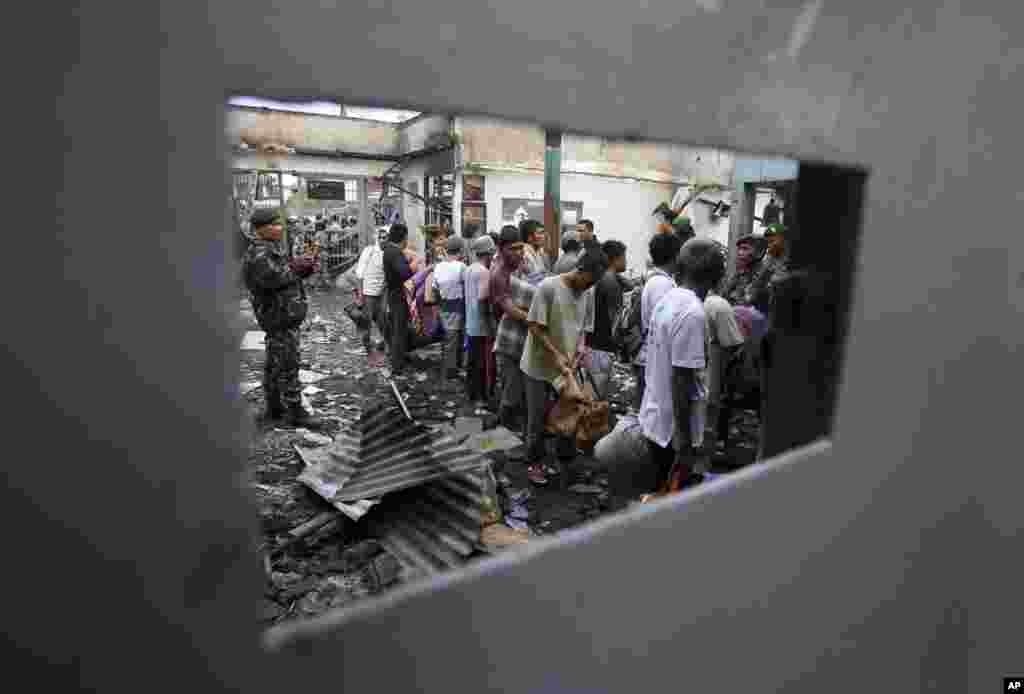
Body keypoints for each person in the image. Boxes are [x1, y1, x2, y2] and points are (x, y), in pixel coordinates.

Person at [639, 238, 726, 494]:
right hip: (672, 433)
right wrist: (685, 443)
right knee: (669, 498)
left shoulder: (669, 300)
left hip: (657, 420)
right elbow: (682, 381)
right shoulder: (692, 313)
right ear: (715, 274)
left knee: (658, 493)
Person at [520, 246, 608, 486]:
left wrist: (580, 347)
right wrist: (556, 354)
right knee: (536, 419)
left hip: (566, 366)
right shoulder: (549, 287)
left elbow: (583, 328)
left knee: (570, 414)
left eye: (593, 285)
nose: (588, 288)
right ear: (579, 269)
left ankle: (566, 462)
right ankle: (534, 463)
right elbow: (535, 326)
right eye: (588, 282)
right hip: (538, 365)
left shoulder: (588, 292)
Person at [242, 208, 323, 429]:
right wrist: (298, 269)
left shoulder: (268, 249)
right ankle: (295, 412)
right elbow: (274, 278)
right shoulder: (259, 253)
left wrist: (299, 266)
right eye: (276, 224)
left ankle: (274, 409)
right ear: (263, 228)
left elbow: (282, 270)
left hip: (281, 317)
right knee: (288, 365)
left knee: (274, 364)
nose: (280, 228)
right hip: (278, 318)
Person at [632, 233, 683, 410]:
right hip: (653, 359)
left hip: (649, 356)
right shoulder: (663, 284)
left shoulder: (657, 281)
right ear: (676, 255)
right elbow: (664, 326)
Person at [488, 225, 529, 432]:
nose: (519, 252)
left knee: (517, 385)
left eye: (521, 247)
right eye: (513, 248)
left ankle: (509, 422)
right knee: (511, 386)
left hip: (522, 336)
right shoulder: (498, 273)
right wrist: (535, 317)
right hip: (506, 336)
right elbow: (509, 309)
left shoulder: (519, 264)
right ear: (501, 248)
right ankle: (503, 425)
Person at [584, 239, 628, 400]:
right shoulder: (611, 282)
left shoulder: (604, 277)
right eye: (624, 257)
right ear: (615, 259)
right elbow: (615, 320)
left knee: (591, 393)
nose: (626, 261)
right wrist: (620, 347)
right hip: (602, 348)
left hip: (593, 344)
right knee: (594, 397)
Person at [465, 235, 497, 406]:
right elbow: (483, 297)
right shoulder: (484, 272)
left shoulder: (469, 269)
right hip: (481, 326)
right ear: (488, 253)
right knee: (482, 364)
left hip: (470, 324)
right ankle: (481, 398)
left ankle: (472, 393)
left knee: (472, 361)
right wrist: (490, 323)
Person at [432, 236, 468, 379]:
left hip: (443, 305)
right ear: (460, 250)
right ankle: (450, 372)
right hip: (458, 305)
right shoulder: (461, 267)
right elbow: (467, 288)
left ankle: (450, 367)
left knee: (448, 340)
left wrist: (439, 304)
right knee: (454, 340)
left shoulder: (439, 266)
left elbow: (434, 289)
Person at [382, 223, 415, 374]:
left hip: (393, 293)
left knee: (398, 328)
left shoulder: (388, 250)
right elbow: (405, 273)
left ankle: (399, 357)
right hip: (397, 294)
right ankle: (397, 365)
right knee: (399, 330)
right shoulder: (395, 252)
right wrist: (413, 265)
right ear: (403, 238)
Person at [746, 224, 790, 314]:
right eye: (767, 243)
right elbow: (758, 282)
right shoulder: (770, 258)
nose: (769, 246)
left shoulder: (794, 259)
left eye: (772, 241)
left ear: (785, 239)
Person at [354, 236, 388, 351]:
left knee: (383, 318)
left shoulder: (389, 252)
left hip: (383, 291)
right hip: (368, 292)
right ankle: (366, 344)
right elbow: (359, 274)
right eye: (381, 237)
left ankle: (385, 342)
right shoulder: (369, 251)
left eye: (386, 237)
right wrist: (360, 295)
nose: (384, 239)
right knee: (366, 320)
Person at [722, 233, 761, 306]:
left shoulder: (761, 275)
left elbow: (746, 302)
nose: (740, 253)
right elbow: (724, 295)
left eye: (745, 249)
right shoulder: (740, 272)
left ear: (759, 252)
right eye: (739, 249)